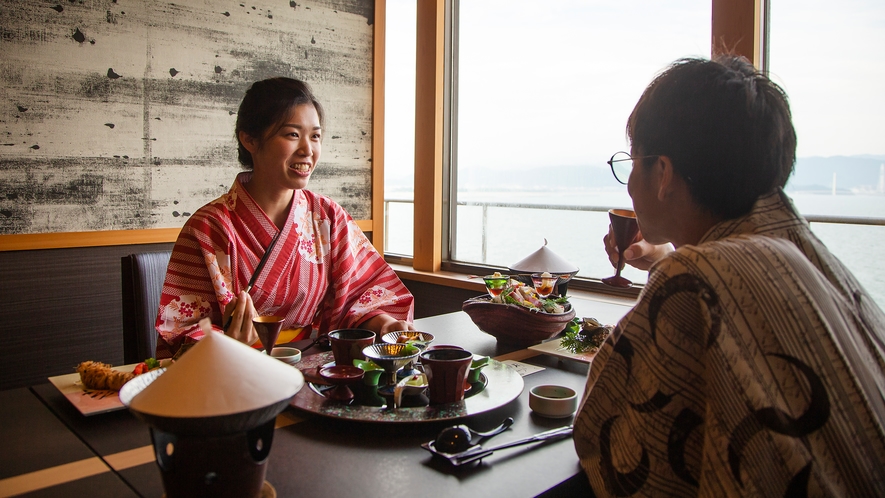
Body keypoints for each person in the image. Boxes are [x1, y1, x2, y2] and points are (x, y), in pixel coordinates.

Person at [574, 55, 885, 495]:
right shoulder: (804, 251)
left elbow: (604, 436)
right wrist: (672, 257)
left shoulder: (692, 277)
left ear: (662, 172)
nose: (627, 182)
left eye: (631, 160)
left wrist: (677, 267)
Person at [155, 77, 414, 359]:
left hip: (311, 363)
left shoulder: (328, 217)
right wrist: (229, 342)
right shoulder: (208, 227)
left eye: (315, 136)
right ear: (250, 139)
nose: (307, 149)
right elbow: (181, 329)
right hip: (232, 375)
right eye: (292, 134)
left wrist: (383, 322)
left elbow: (360, 295)